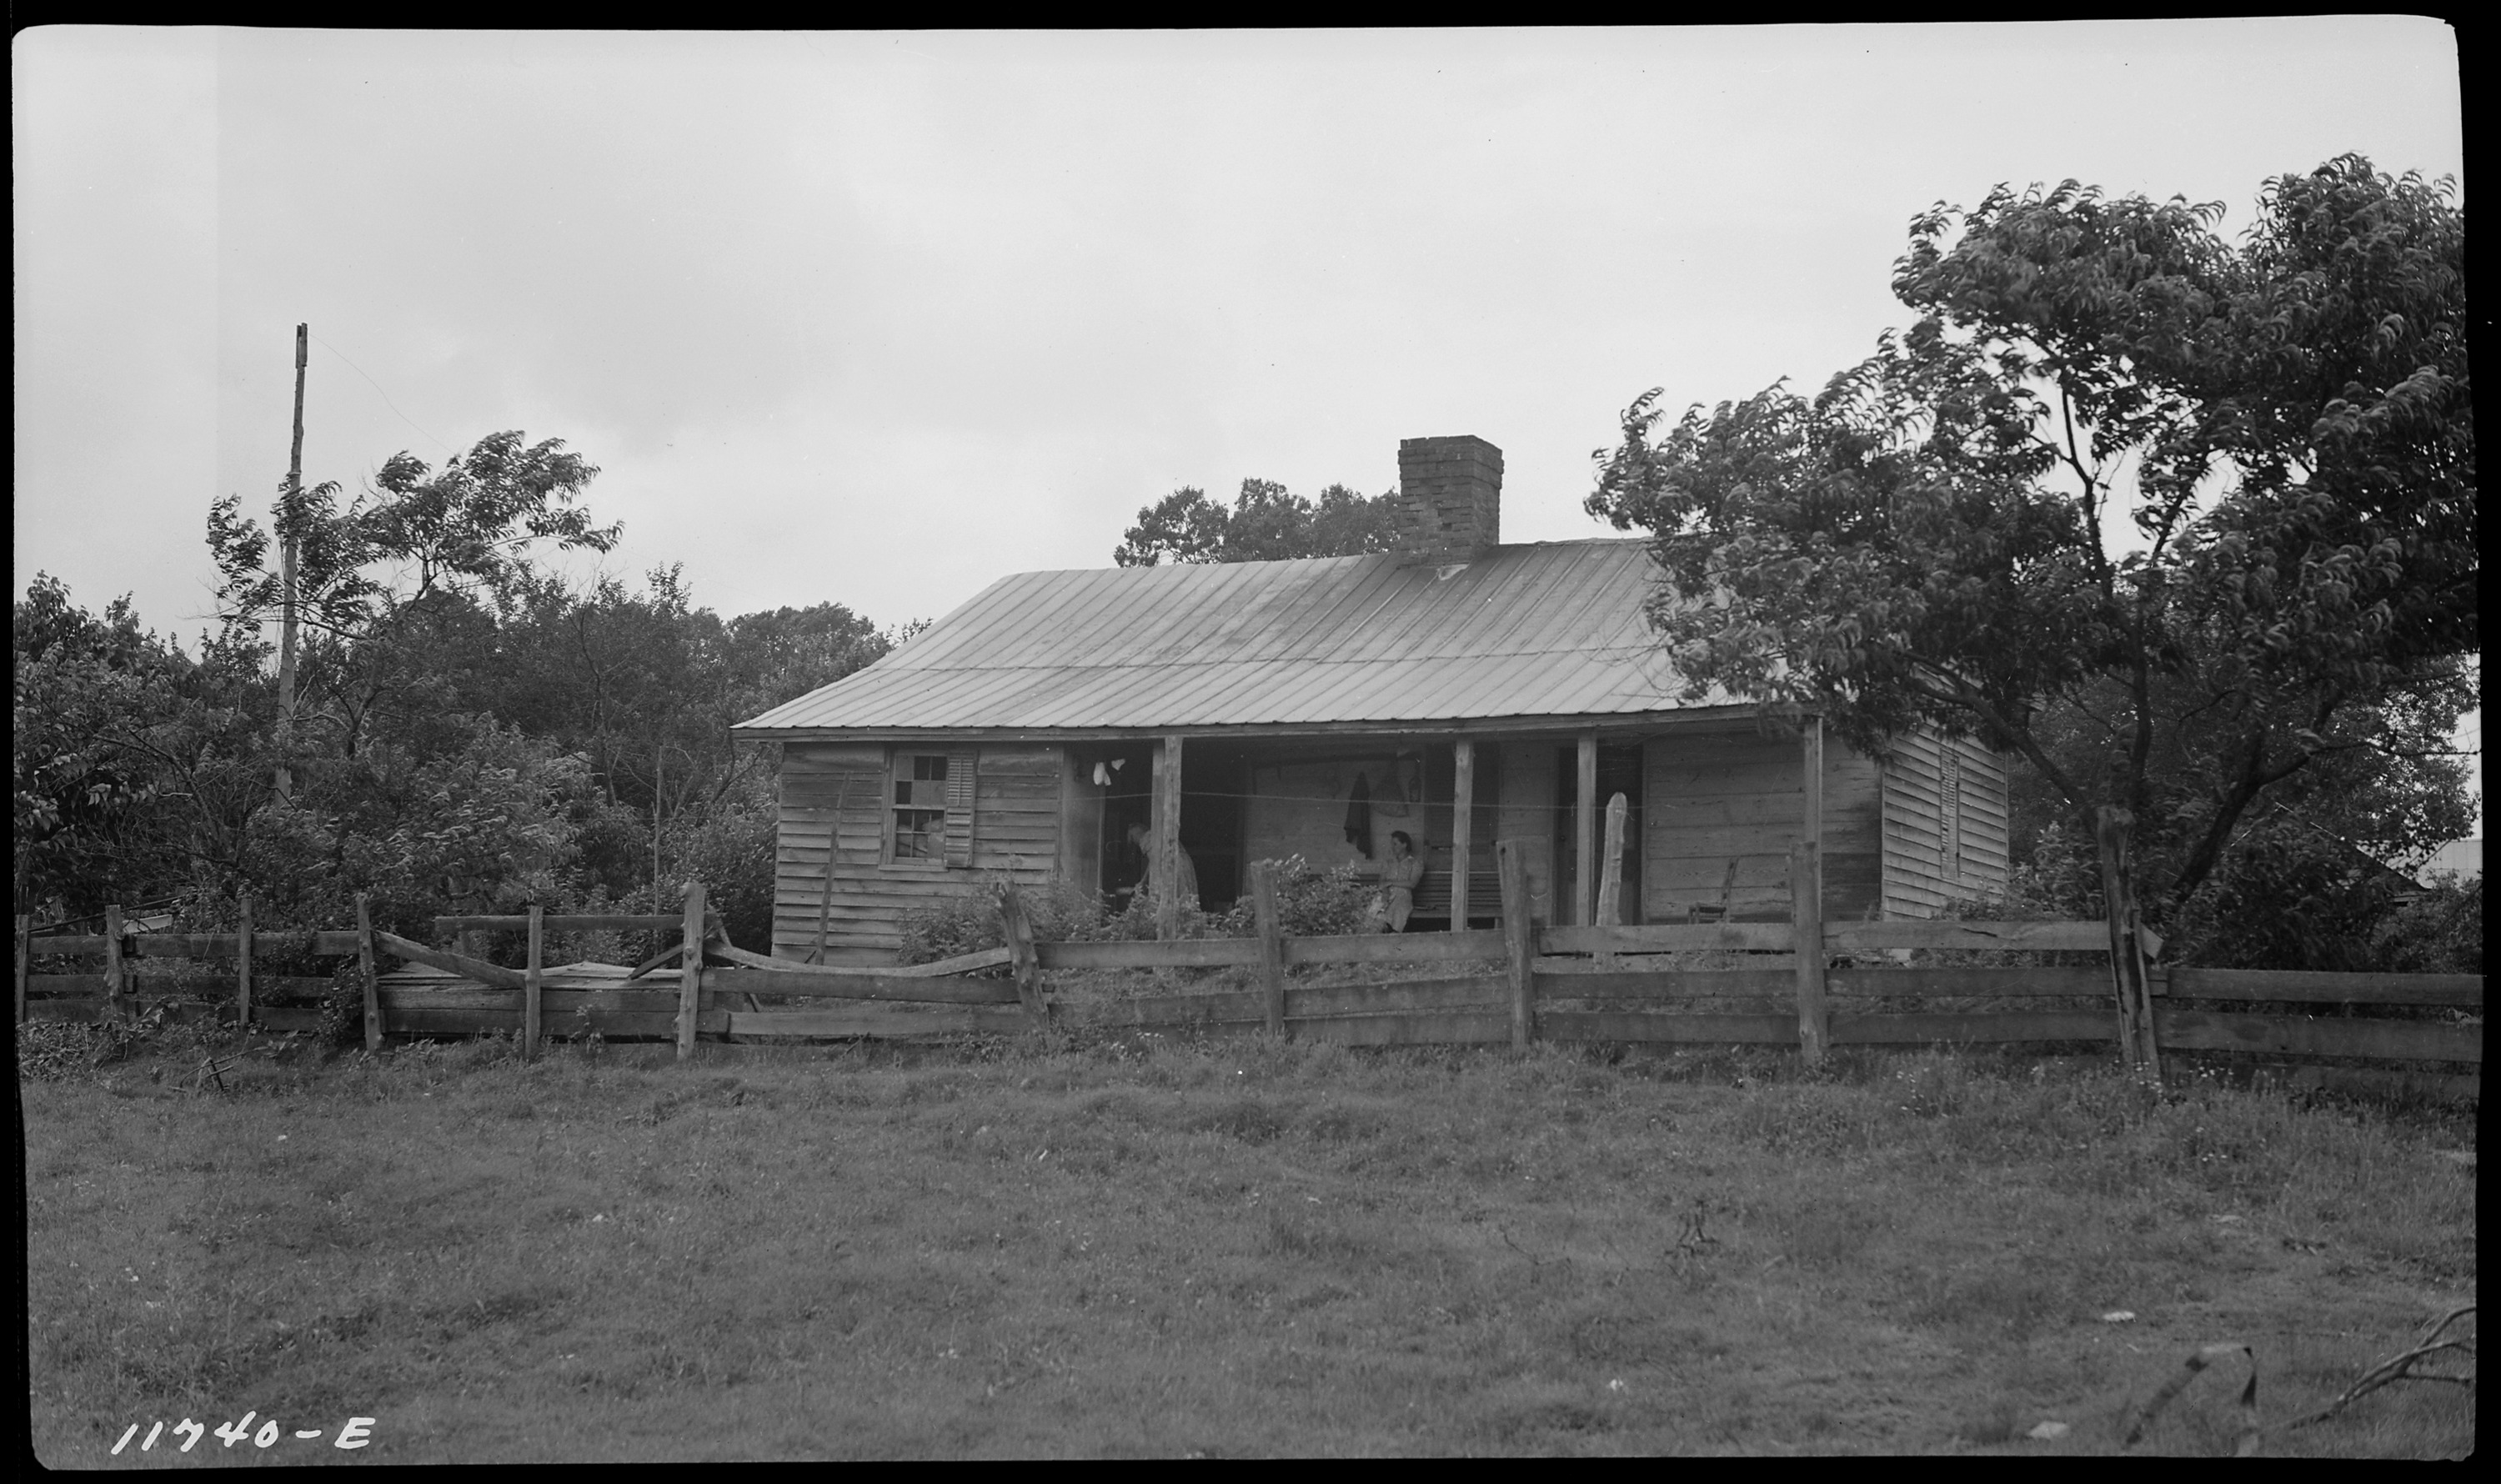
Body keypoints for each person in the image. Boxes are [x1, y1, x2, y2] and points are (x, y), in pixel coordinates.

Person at [1122, 821, 1199, 910]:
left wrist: (1143, 882)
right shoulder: (1154, 835)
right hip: (1184, 863)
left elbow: (1153, 862)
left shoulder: (1147, 838)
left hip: (1175, 865)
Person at [1379, 830, 1424, 933]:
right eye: (1392, 844)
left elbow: (1412, 883)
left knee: (1397, 907)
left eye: (1395, 844)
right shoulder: (1388, 862)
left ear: (1404, 845)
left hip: (1403, 896)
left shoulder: (1415, 863)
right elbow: (1381, 882)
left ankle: (1393, 932)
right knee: (1376, 909)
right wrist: (1385, 891)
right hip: (1387, 895)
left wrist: (1391, 882)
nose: (1392, 847)